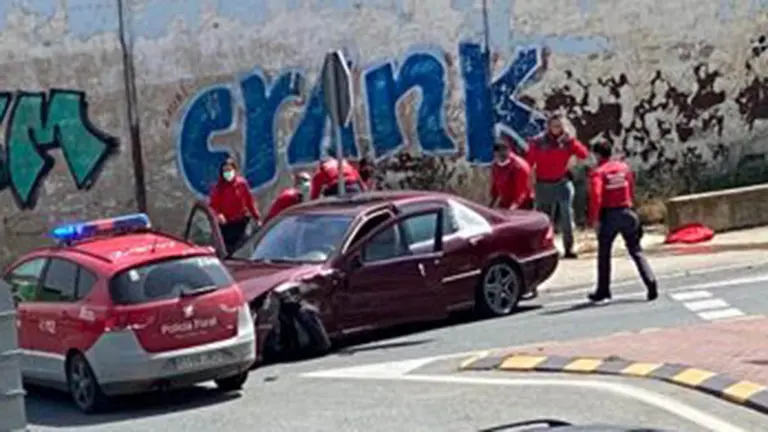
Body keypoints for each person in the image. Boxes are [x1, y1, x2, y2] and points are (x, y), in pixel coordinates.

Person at [586, 141, 658, 303]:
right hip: (627, 212)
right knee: (636, 250)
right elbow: (631, 187)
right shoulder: (623, 168)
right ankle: (650, 281)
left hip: (609, 215)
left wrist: (594, 219)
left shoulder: (598, 172)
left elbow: (596, 197)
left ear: (597, 155)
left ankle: (603, 290)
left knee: (604, 253)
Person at [526, 114, 589, 259]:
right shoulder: (538, 142)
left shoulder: (567, 142)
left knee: (567, 218)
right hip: (543, 184)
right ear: (548, 127)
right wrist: (530, 184)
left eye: (560, 126)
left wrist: (571, 141)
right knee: (544, 220)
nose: (557, 128)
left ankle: (569, 248)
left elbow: (583, 154)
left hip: (562, 183)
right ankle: (546, 249)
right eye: (554, 125)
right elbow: (529, 161)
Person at [209, 158, 261, 253]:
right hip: (226, 226)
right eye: (225, 171)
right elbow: (213, 206)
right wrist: (218, 215)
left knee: (243, 247)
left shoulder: (242, 184)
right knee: (227, 250)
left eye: (229, 170)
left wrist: (257, 217)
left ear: (234, 170)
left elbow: (249, 201)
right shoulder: (218, 188)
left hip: (241, 223)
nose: (227, 173)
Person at [489, 138, 534, 210]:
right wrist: (490, 207)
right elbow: (495, 188)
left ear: (507, 151)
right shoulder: (496, 165)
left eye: (502, 152)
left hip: (523, 205)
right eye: (496, 153)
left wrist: (511, 210)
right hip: (505, 202)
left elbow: (521, 193)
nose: (499, 156)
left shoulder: (518, 166)